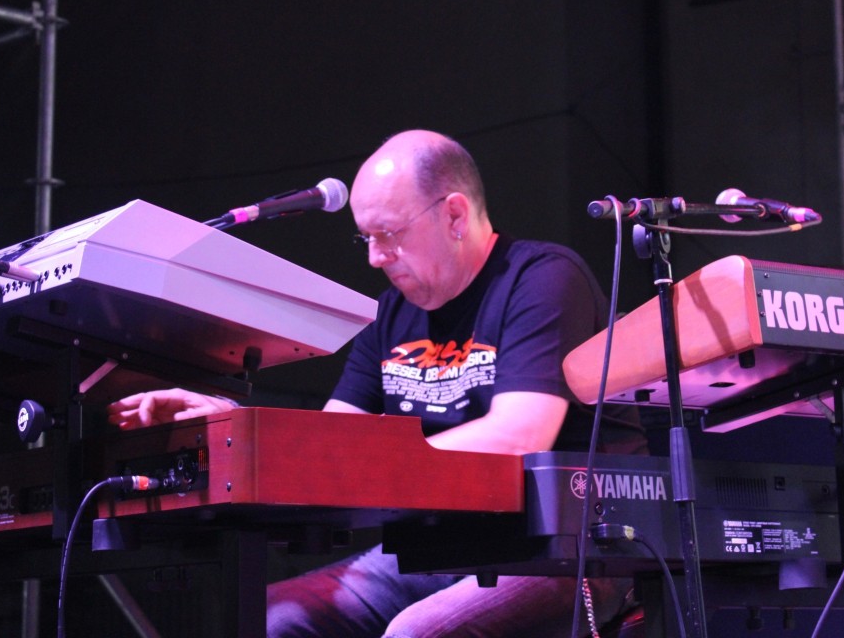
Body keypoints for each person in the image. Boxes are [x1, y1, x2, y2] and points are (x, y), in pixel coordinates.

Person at [108, 129, 646, 638]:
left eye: (387, 234)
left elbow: (518, 436)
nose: (374, 257)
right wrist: (228, 419)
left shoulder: (543, 278)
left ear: (455, 215)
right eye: (365, 237)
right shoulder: (391, 313)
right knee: (267, 621)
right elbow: (330, 445)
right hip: (435, 552)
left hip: (565, 550)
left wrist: (378, 459)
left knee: (415, 633)